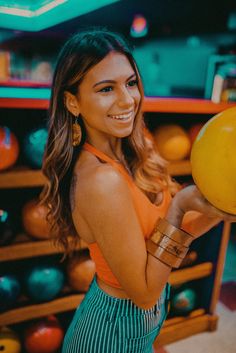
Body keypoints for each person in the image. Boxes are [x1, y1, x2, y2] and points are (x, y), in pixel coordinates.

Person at [41, 28, 236, 353]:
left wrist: (220, 205)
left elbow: (168, 237)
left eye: (130, 83)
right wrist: (179, 206)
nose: (127, 99)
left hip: (139, 328)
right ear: (72, 101)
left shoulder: (132, 151)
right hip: (107, 334)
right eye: (106, 88)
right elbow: (144, 293)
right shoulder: (100, 180)